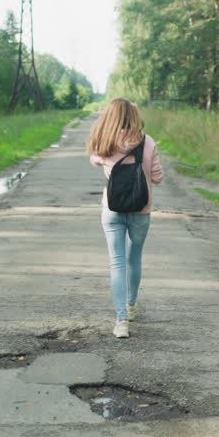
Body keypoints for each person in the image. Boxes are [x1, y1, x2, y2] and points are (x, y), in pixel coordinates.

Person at [87, 99, 164, 339]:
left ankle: (121, 321)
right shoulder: (147, 141)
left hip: (112, 210)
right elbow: (158, 177)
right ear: (134, 115)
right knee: (134, 259)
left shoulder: (105, 141)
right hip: (141, 209)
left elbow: (95, 158)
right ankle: (131, 306)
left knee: (116, 263)